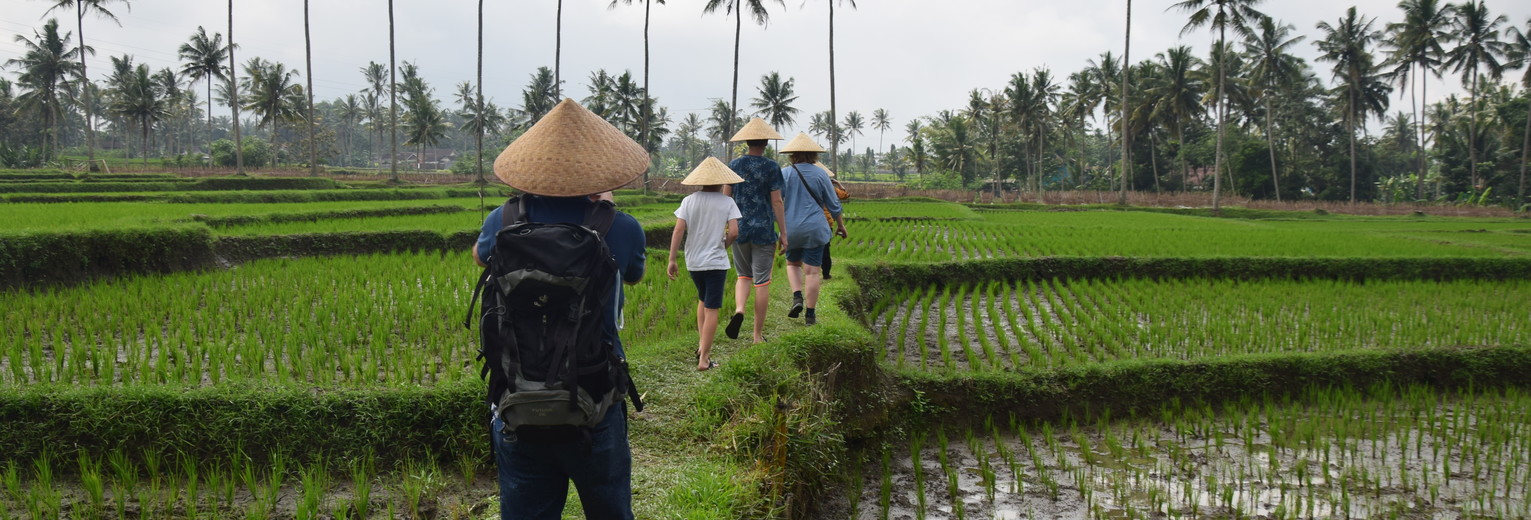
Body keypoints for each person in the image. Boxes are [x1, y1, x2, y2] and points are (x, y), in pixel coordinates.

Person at [471, 99, 647, 519]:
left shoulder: (505, 218)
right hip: (594, 396)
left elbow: (481, 258)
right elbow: (635, 274)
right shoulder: (618, 227)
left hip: (517, 394)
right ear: (599, 172)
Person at [666, 157, 742, 371]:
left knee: (703, 299)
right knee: (712, 308)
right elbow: (734, 232)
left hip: (694, 262)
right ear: (721, 181)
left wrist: (672, 259)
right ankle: (704, 359)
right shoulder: (727, 202)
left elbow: (678, 230)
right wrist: (723, 245)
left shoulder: (688, 201)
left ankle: (702, 346)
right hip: (716, 262)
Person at [722, 117, 788, 343]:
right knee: (762, 281)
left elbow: (726, 197)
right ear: (766, 143)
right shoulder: (771, 167)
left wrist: (726, 225)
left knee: (743, 276)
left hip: (739, 228)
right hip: (764, 232)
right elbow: (777, 202)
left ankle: (739, 309)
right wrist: (784, 234)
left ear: (747, 141)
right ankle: (757, 335)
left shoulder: (734, 166)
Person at [777, 133, 847, 326]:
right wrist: (840, 225)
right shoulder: (821, 174)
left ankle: (797, 296)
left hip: (791, 227)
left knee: (792, 265)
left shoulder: (785, 173)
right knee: (812, 272)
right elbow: (833, 204)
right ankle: (810, 314)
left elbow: (776, 202)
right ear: (814, 154)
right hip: (816, 228)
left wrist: (779, 230)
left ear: (792, 154)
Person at [814, 162, 851, 280]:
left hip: (808, 220)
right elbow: (844, 195)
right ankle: (825, 274)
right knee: (825, 247)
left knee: (809, 247)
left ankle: (811, 273)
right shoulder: (831, 188)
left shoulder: (807, 185)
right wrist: (838, 183)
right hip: (826, 221)